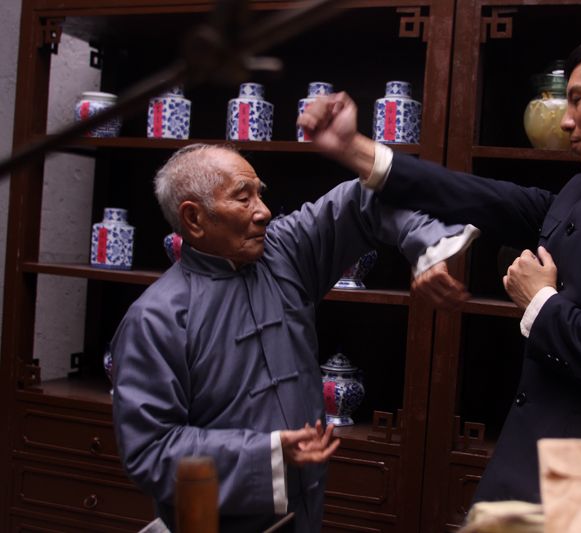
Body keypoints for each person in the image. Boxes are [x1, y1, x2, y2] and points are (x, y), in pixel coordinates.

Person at [298, 27, 581, 504]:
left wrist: (540, 303)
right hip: (522, 467)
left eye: (576, 100)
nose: (566, 122)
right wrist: (352, 148)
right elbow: (479, 196)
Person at [111, 143, 477, 532]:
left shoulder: (283, 253)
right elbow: (150, 451)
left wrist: (427, 249)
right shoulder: (156, 319)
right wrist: (267, 454)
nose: (264, 211)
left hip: (305, 512)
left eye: (260, 194)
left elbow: (364, 200)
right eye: (243, 198)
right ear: (194, 218)